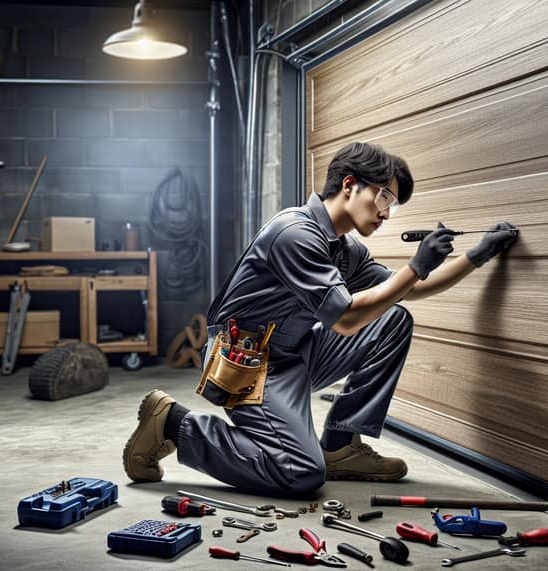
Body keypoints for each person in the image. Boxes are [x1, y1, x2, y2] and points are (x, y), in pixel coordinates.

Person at [123, 142, 518, 496]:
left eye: (393, 205)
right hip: (246, 361)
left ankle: (340, 446)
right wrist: (417, 265)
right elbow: (346, 320)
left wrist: (477, 255)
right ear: (350, 185)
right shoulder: (296, 232)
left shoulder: (346, 248)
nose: (386, 212)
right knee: (300, 474)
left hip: (293, 349)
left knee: (392, 318)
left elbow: (404, 290)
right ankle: (174, 424)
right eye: (383, 197)